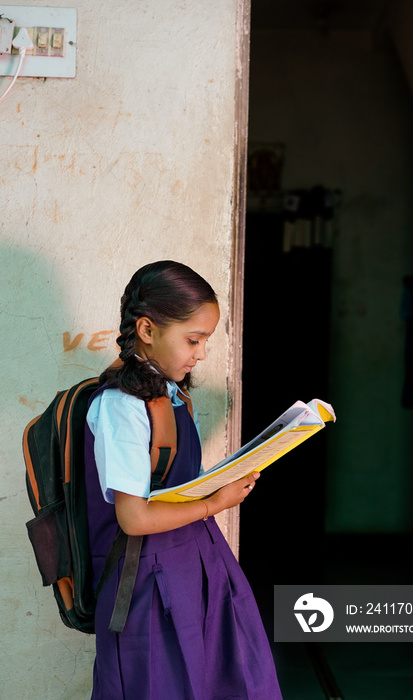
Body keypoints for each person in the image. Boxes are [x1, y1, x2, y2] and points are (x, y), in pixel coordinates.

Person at [84, 260, 283, 700]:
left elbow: (170, 488)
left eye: (205, 341)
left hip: (196, 569)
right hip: (149, 586)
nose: (202, 353)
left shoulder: (171, 396)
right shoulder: (122, 406)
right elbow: (134, 517)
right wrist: (217, 502)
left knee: (228, 682)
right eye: (194, 340)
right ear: (148, 330)